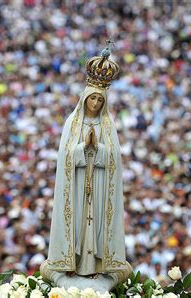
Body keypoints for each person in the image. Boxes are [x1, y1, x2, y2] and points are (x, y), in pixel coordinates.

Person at [41, 43, 132, 286]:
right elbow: (65, 156)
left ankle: (96, 265)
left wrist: (98, 149)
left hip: (99, 185)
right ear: (84, 99)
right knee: (78, 223)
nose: (94, 104)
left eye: (99, 100)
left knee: (96, 222)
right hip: (78, 185)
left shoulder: (107, 126)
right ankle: (73, 263)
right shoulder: (73, 123)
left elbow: (114, 159)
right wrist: (82, 149)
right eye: (91, 98)